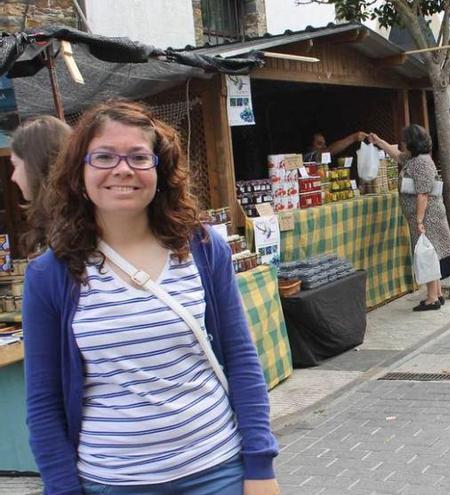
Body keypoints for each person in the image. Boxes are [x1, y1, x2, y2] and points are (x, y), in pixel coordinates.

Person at [24, 101, 280, 495]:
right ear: (80, 171)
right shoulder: (51, 275)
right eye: (104, 156)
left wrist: (261, 468)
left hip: (217, 470)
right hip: (112, 481)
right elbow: (44, 404)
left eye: (139, 157)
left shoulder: (201, 247)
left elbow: (243, 360)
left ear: (160, 171)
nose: (122, 169)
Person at [370, 126, 450, 310]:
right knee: (432, 252)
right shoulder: (414, 159)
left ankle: (431, 298)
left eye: (405, 140)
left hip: (427, 216)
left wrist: (419, 220)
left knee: (427, 254)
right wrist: (379, 141)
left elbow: (422, 193)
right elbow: (397, 155)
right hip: (426, 216)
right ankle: (437, 293)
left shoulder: (421, 162)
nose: (402, 143)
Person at [10, 115, 71, 254]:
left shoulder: (68, 233)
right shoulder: (65, 221)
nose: (13, 177)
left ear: (35, 166)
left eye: (16, 165)